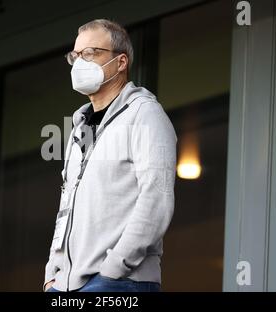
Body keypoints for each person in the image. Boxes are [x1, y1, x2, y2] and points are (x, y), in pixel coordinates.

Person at [44, 19, 177, 292]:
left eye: (91, 53)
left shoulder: (145, 115)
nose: (80, 62)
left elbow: (157, 197)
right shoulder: (79, 127)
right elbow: (66, 202)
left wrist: (114, 269)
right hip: (65, 285)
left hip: (117, 282)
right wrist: (52, 271)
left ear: (121, 62)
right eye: (76, 55)